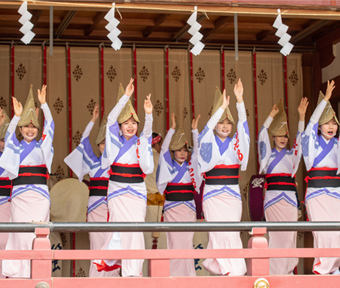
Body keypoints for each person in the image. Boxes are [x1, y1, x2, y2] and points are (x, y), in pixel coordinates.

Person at [94, 79, 153, 277]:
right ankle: (119, 266)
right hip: (117, 189)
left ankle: (133, 272)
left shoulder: (141, 142)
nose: (130, 126)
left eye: (133, 123)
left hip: (136, 191)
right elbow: (110, 120)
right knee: (119, 228)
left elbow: (147, 133)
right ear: (120, 126)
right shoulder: (113, 141)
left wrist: (148, 115)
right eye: (126, 123)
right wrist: (126, 97)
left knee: (135, 230)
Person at [0, 85, 54, 278]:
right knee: (20, 235)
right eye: (26, 126)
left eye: (33, 126)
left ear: (38, 129)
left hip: (39, 197)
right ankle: (19, 275)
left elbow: (51, 127)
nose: (30, 130)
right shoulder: (14, 146)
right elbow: (7, 136)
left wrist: (45, 105)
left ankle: (38, 275)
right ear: (21, 129)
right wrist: (15, 116)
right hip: (20, 197)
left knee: (37, 235)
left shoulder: (43, 146)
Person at [197, 80, 249, 276]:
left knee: (231, 232)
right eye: (221, 122)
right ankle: (223, 272)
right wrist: (221, 110)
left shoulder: (236, 142)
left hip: (232, 195)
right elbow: (205, 131)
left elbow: (244, 128)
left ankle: (233, 271)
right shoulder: (207, 139)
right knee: (217, 234)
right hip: (212, 194)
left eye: (228, 123)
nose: (225, 126)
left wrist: (239, 101)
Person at [64, 104, 119, 277]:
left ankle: (113, 281)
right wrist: (92, 121)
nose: (104, 147)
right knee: (97, 245)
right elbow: (83, 142)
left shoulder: (118, 165)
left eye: (107, 143)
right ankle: (95, 281)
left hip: (113, 209)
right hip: (96, 209)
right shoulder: (93, 163)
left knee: (113, 246)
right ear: (98, 145)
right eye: (101, 144)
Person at [258, 98, 308, 275]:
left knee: (290, 237)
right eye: (279, 135)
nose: (282, 139)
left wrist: (301, 118)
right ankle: (274, 275)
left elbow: (300, 142)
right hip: (273, 199)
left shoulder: (292, 155)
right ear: (273, 137)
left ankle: (287, 274)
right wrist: (270, 116)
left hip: (289, 200)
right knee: (276, 237)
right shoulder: (266, 156)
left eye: (285, 135)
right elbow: (261, 135)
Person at [302, 80, 340, 275]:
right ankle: (321, 269)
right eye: (327, 123)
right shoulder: (311, 143)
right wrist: (325, 100)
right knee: (324, 233)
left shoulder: (338, 144)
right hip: (317, 193)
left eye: (334, 122)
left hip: (336, 193)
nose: (331, 126)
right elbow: (310, 124)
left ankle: (333, 269)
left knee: (337, 232)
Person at [156, 113, 202, 276]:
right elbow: (162, 150)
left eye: (184, 150)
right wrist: (172, 129)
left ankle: (189, 278)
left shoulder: (191, 166)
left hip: (188, 209)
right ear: (173, 151)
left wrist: (195, 132)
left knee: (187, 243)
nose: (182, 153)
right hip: (172, 209)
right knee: (174, 243)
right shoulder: (168, 165)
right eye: (178, 150)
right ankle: (173, 278)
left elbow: (197, 152)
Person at [0, 110, 12, 278]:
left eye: (6, 140)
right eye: (1, 140)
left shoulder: (17, 155)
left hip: (14, 203)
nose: (3, 144)